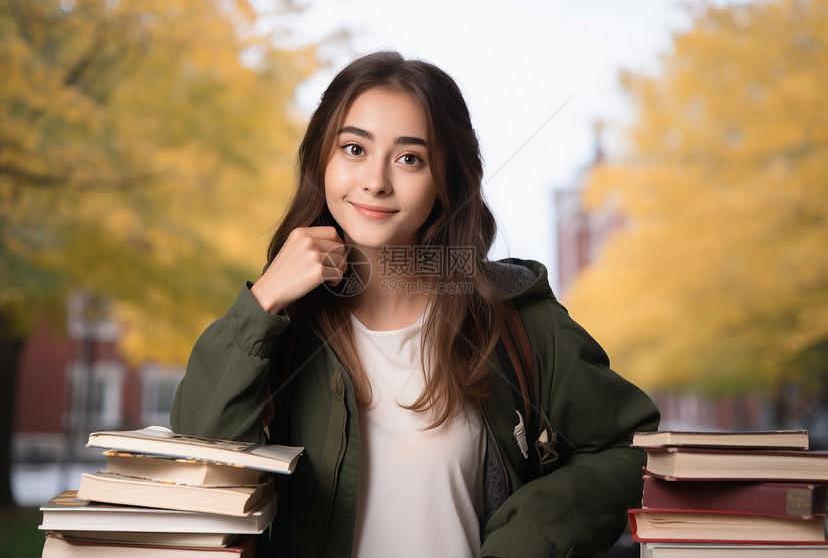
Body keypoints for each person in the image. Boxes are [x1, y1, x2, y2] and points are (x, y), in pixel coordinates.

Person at [170, 51, 660, 558]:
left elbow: (628, 450)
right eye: (354, 148)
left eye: (410, 158)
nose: (376, 181)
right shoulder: (280, 326)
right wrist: (264, 299)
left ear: (446, 182)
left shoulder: (516, 319)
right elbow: (195, 463)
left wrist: (530, 538)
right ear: (322, 160)